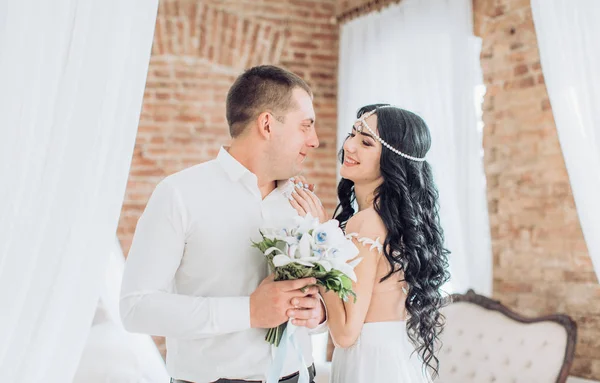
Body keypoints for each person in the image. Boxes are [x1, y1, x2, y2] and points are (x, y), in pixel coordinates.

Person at [120, 65, 327, 383]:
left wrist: (318, 314)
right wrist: (249, 311)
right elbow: (137, 308)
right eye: (305, 126)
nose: (315, 141)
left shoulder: (302, 203)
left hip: (301, 375)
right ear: (267, 124)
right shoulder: (179, 194)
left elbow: (319, 302)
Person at [290, 104, 450, 382]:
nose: (349, 146)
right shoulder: (391, 220)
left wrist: (321, 237)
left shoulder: (366, 223)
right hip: (392, 355)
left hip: (371, 364)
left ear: (391, 160)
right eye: (352, 134)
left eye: (365, 142)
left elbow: (345, 334)